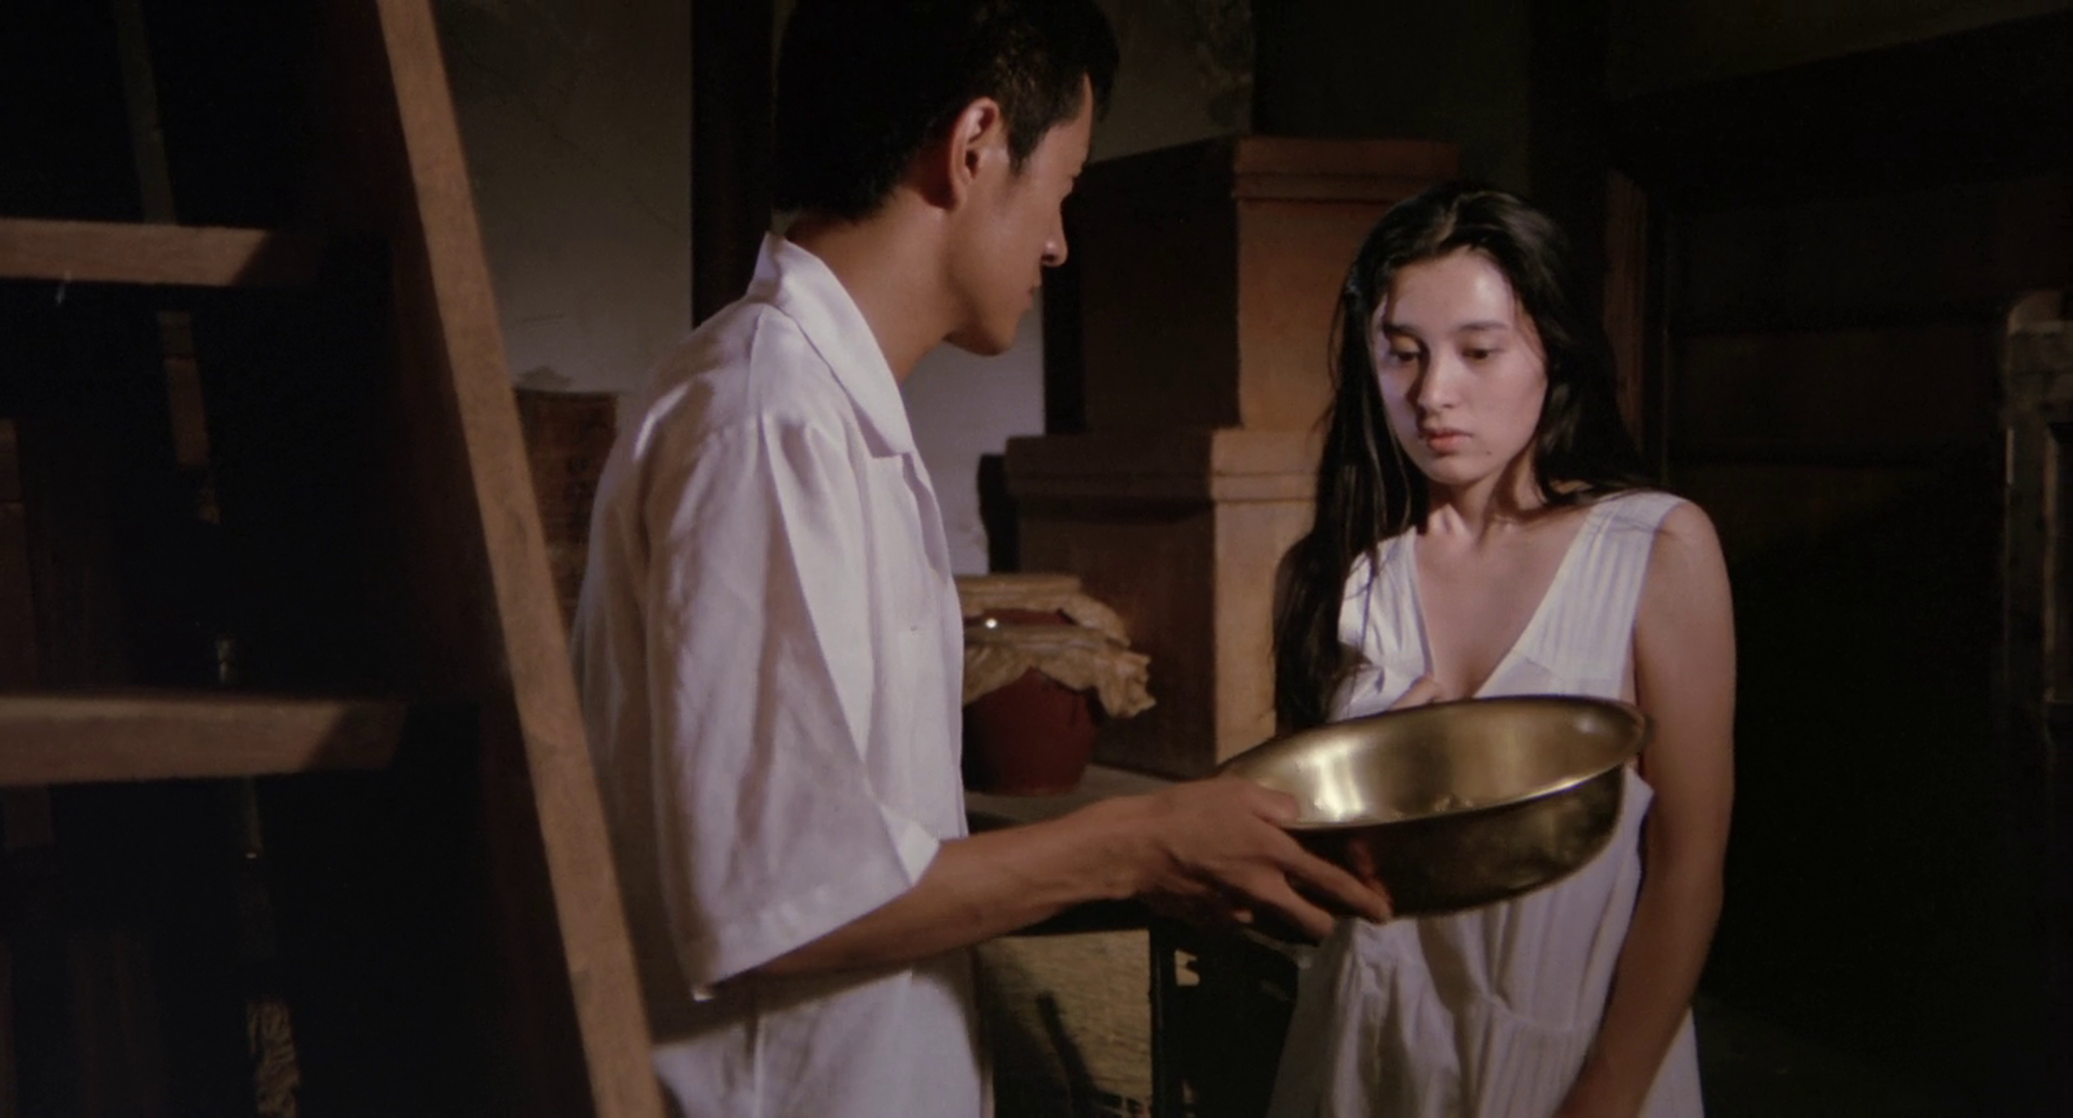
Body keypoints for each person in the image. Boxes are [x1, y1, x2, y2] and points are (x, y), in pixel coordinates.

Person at [568, 3, 1387, 1115]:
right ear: (974, 145)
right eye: (1061, 187)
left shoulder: (822, 405)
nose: (1057, 243)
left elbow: (857, 850)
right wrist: (1139, 841)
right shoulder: (766, 417)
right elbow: (786, 895)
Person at [1265, 183, 1735, 1117]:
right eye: (1402, 353)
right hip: (1368, 1046)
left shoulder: (1649, 548)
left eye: (1478, 351)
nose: (1432, 393)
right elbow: (1299, 861)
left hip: (1571, 1051)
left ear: (1552, 351)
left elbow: (1689, 862)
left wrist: (1607, 1092)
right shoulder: (1348, 573)